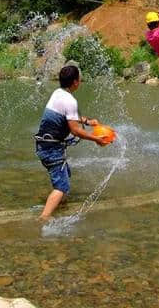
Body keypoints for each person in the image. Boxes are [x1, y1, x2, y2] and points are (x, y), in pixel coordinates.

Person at [34, 65, 110, 221]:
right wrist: (96, 139)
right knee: (61, 186)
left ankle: (60, 205)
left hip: (43, 145)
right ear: (76, 82)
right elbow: (75, 131)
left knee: (65, 174)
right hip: (52, 149)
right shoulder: (70, 101)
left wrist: (88, 121)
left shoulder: (57, 93)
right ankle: (43, 219)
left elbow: (68, 117)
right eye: (79, 79)